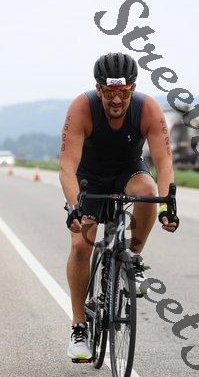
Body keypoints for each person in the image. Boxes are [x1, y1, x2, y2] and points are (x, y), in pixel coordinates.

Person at [59, 52, 179, 361]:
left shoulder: (147, 108)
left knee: (148, 191)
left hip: (128, 172)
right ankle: (79, 327)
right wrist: (73, 207)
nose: (116, 100)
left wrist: (167, 206)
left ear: (133, 89)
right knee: (81, 245)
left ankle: (133, 258)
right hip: (89, 177)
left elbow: (164, 163)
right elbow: (67, 166)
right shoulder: (82, 108)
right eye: (109, 92)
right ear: (98, 89)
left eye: (124, 93)